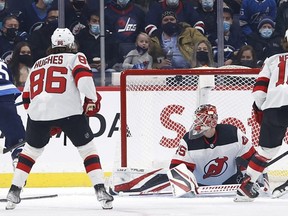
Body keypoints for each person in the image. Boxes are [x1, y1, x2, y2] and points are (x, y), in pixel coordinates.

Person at [5, 28, 113, 210]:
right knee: (87, 149)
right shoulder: (76, 57)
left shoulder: (38, 62)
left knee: (30, 152)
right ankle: (101, 190)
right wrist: (92, 99)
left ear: (53, 44)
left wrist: (40, 115)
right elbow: (84, 80)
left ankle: (13, 192)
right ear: (71, 44)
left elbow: (26, 96)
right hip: (69, 110)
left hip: (38, 112)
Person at [234, 29, 288, 202]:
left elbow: (258, 92)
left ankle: (246, 188)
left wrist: (262, 109)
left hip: (273, 107)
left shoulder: (272, 60)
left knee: (266, 151)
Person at [169, 104, 257, 186]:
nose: (197, 121)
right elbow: (176, 169)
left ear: (213, 121)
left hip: (231, 184)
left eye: (201, 118)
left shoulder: (233, 134)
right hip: (200, 187)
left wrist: (252, 179)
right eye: (197, 118)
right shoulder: (188, 140)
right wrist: (187, 185)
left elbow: (253, 158)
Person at [0, 58, 25, 167]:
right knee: (17, 137)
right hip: (5, 93)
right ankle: (18, 154)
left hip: (5, 92)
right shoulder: (2, 62)